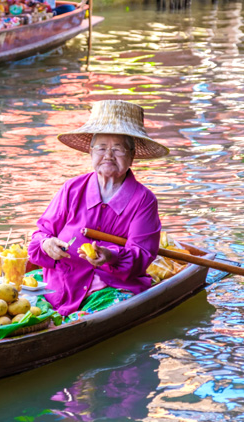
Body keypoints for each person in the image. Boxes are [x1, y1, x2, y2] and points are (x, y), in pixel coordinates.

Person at [27, 100, 170, 317]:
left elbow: (142, 255)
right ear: (91, 153)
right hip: (61, 285)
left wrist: (111, 257)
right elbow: (41, 234)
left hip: (110, 288)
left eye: (118, 149)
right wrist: (47, 244)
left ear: (132, 156)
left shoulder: (144, 200)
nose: (108, 156)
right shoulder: (71, 189)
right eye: (102, 148)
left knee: (96, 315)